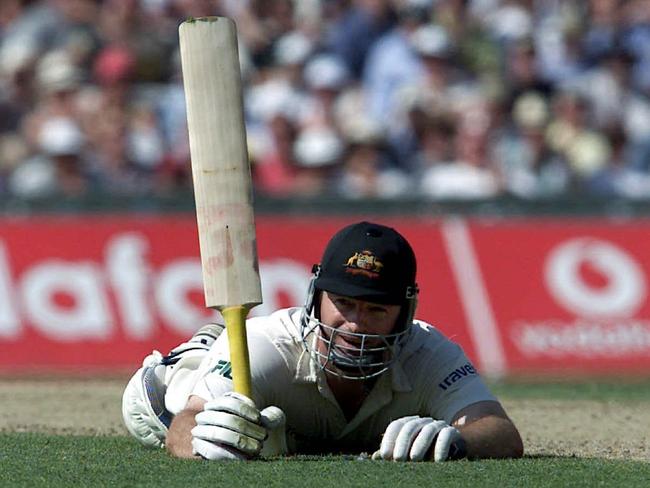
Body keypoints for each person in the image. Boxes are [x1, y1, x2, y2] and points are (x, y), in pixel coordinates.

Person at [122, 221, 524, 462]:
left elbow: (500, 431)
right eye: (344, 303)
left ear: (406, 312)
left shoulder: (429, 350)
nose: (354, 324)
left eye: (376, 310)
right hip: (174, 388)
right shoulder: (265, 343)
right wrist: (202, 441)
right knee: (148, 412)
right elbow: (184, 429)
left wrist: (458, 442)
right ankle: (197, 354)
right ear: (316, 297)